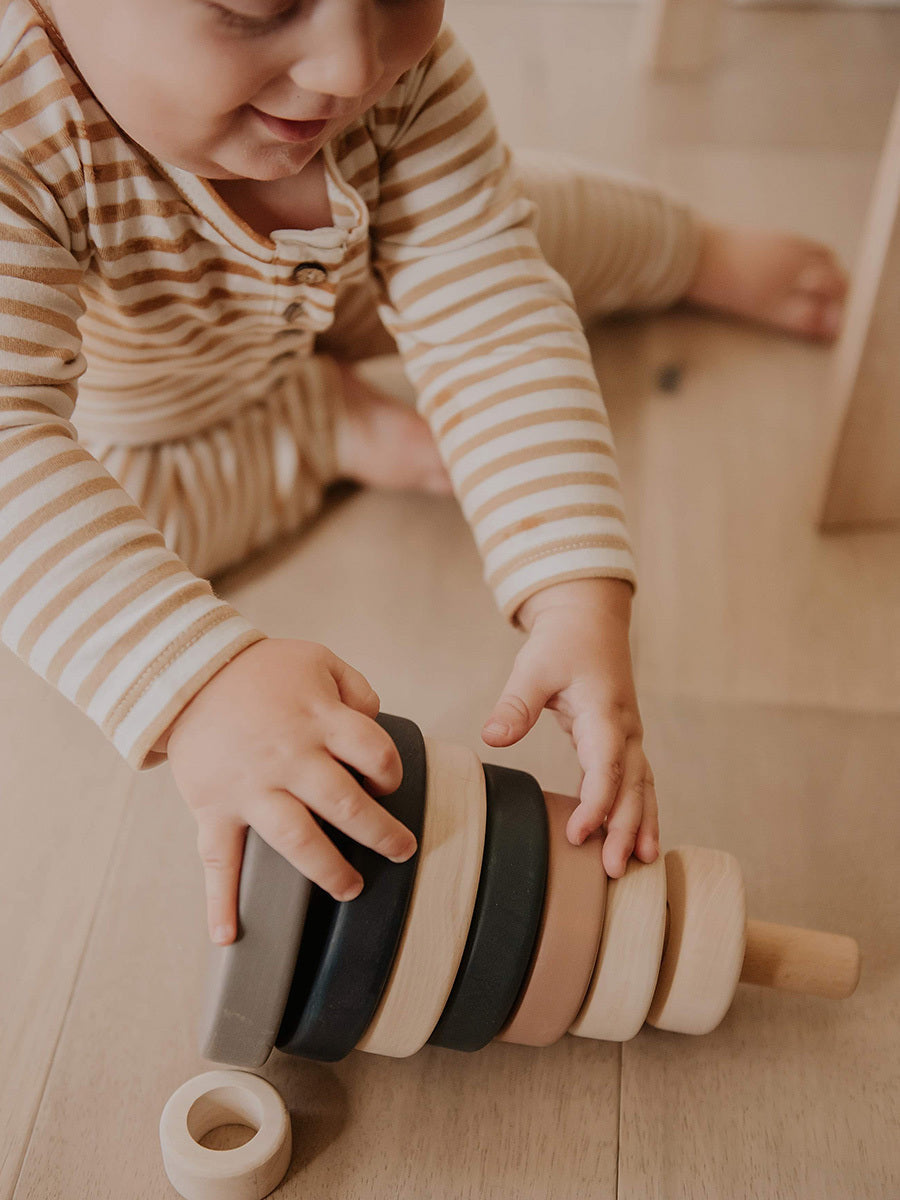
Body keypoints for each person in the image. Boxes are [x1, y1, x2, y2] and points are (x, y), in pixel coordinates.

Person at [0, 0, 848, 947]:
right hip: (153, 406)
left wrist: (573, 589)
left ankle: (689, 250)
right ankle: (324, 429)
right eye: (259, 5)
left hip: (357, 276)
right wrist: (194, 681)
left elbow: (494, 320)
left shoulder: (401, 85)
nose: (351, 66)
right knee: (132, 527)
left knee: (529, 231)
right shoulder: (17, 132)